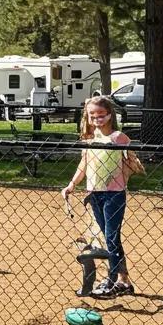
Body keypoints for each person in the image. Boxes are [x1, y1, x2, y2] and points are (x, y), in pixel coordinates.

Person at [61, 95, 135, 298]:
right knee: (108, 238)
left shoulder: (118, 138)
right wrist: (72, 184)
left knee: (111, 237)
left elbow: (132, 160)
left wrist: (126, 172)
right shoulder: (89, 138)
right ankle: (124, 280)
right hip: (95, 193)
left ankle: (111, 280)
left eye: (101, 115)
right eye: (93, 115)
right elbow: (83, 164)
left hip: (114, 194)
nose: (97, 119)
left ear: (109, 115)